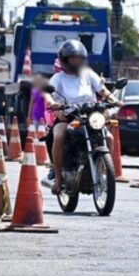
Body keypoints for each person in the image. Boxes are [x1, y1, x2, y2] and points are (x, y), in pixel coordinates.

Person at [45, 40, 116, 195]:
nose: (75, 61)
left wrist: (114, 99)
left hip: (90, 114)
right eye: (72, 58)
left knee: (109, 138)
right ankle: (58, 177)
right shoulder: (58, 78)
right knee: (58, 135)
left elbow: (102, 90)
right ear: (64, 59)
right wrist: (54, 105)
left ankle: (103, 172)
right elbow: (48, 94)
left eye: (78, 58)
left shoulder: (89, 74)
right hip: (68, 116)